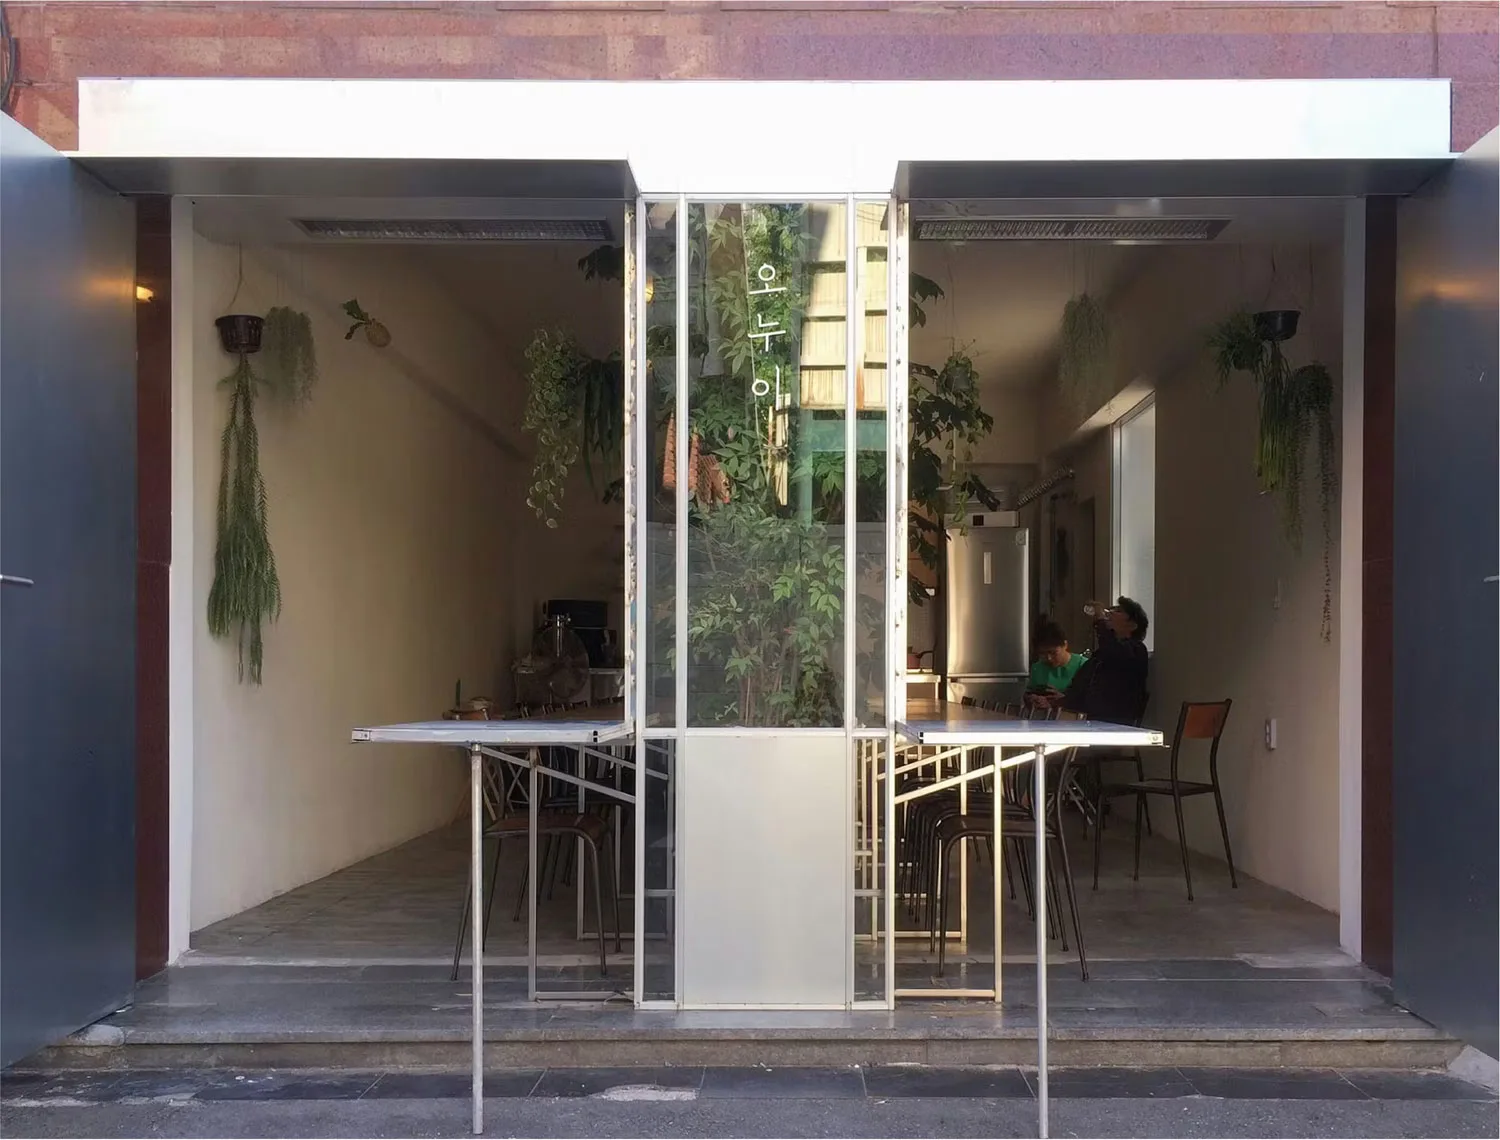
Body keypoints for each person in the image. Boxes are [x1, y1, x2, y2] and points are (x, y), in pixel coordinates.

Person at [1061, 596, 1150, 725]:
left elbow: (1113, 652)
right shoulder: (1101, 654)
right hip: (1088, 720)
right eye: (1112, 609)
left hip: (1114, 722)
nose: (1111, 612)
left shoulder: (1135, 650)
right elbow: (1081, 683)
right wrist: (1061, 699)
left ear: (1132, 625)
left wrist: (1100, 620)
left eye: (1119, 611)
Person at [1024, 621, 1087, 710]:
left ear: (1065, 645)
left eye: (1053, 652)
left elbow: (1091, 701)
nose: (1048, 658)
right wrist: (1033, 699)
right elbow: (1028, 693)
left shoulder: (1084, 665)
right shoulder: (1037, 667)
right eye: (1043, 653)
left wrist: (1064, 700)